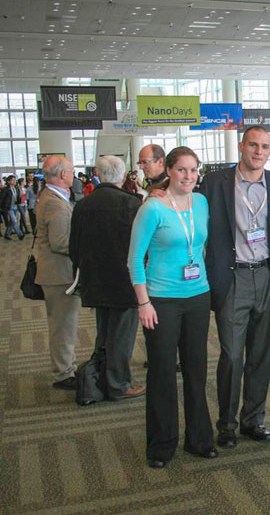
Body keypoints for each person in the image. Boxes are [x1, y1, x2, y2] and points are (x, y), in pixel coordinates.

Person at [201, 126, 270, 449]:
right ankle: (226, 423)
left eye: (264, 146)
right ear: (241, 146)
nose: (258, 151)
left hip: (267, 276)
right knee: (231, 355)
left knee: (262, 355)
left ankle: (254, 419)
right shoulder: (215, 183)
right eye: (253, 144)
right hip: (232, 276)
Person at [128, 146, 216, 468]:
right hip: (161, 300)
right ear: (168, 170)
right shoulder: (152, 208)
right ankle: (161, 445)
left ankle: (199, 439)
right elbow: (134, 260)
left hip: (198, 295)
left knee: (196, 369)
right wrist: (144, 302)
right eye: (182, 170)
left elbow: (201, 245)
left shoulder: (202, 203)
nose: (189, 177)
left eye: (194, 170)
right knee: (163, 372)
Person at [70, 156, 145, 400]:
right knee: (122, 336)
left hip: (95, 281)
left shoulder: (82, 205)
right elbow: (141, 248)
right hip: (124, 281)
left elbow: (74, 247)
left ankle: (103, 376)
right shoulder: (131, 203)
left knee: (104, 333)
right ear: (123, 177)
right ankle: (119, 384)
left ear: (97, 175)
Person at [35, 156, 80, 389]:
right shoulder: (54, 201)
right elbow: (61, 242)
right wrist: (86, 246)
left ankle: (65, 368)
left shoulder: (52, 196)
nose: (74, 174)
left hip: (55, 272)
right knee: (63, 325)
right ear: (63, 175)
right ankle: (63, 374)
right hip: (58, 274)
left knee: (62, 324)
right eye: (72, 171)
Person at [1, 174, 25, 240]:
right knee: (14, 221)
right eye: (13, 180)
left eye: (15, 180)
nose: (14, 181)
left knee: (12, 222)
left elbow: (16, 198)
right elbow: (1, 199)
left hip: (15, 207)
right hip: (8, 208)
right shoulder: (5, 189)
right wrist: (2, 208)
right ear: (8, 181)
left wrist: (21, 199)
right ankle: (20, 234)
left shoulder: (16, 188)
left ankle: (7, 234)